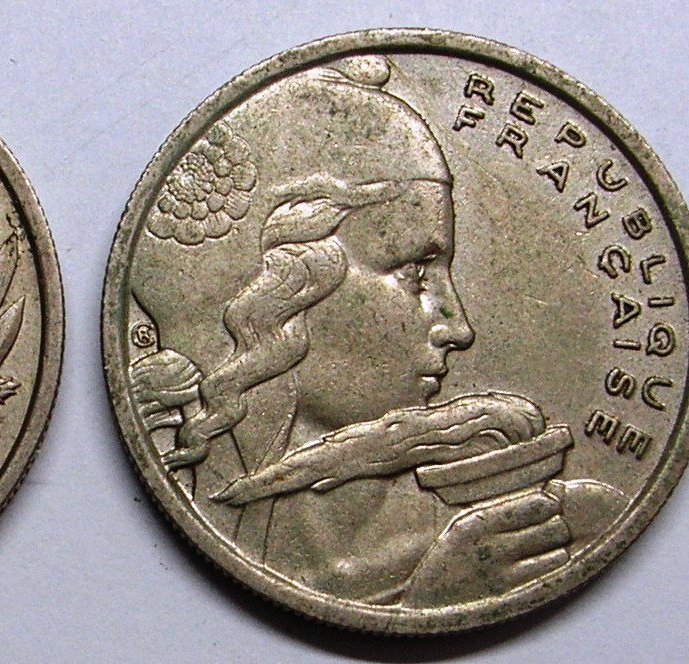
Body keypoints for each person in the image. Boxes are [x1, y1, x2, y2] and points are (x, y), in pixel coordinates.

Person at [127, 55, 625, 606]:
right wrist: (431, 601)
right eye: (415, 272)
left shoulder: (519, 517)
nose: (458, 327)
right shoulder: (200, 508)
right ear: (285, 286)